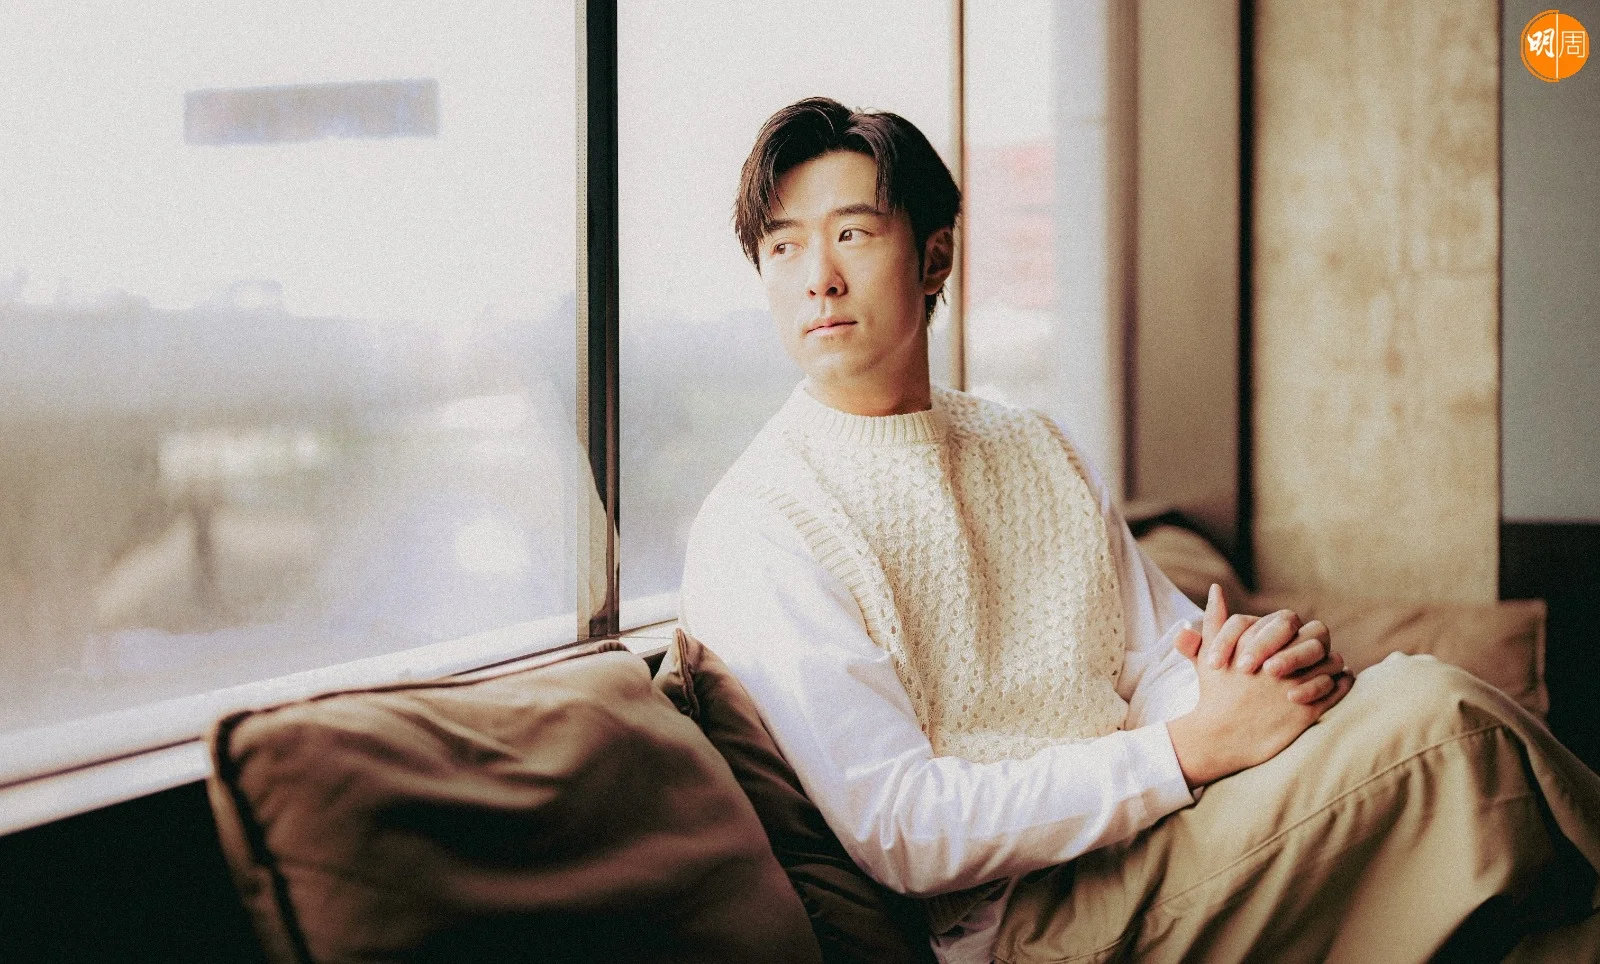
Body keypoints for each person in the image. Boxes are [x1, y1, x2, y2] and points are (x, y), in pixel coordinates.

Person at [679, 97, 1600, 963]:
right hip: (1029, 915)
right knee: (1445, 728)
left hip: (1157, 827)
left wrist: (1238, 678)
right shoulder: (765, 520)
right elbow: (905, 828)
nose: (818, 278)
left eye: (851, 234)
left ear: (934, 257)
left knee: (1479, 819)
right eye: (783, 246)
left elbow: (1154, 657)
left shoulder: (1029, 444)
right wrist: (1188, 749)